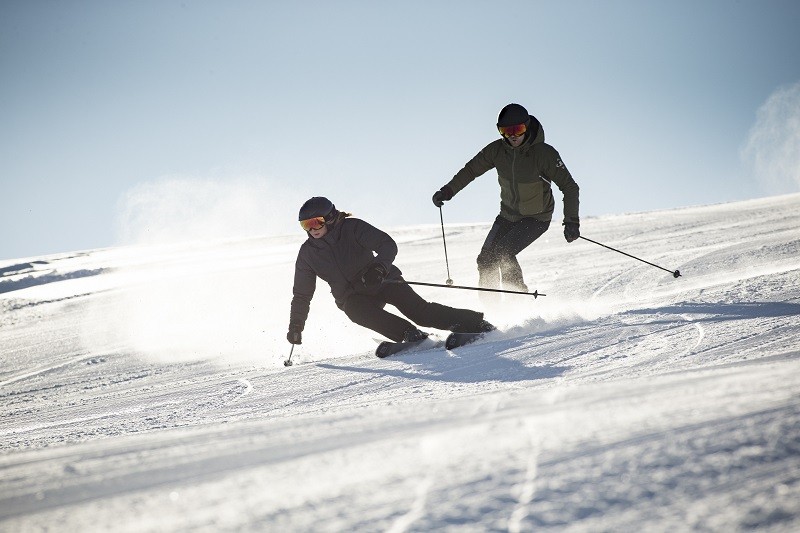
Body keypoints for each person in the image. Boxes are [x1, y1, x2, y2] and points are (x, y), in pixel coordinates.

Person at [286, 197, 495, 346]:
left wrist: (379, 268)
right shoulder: (308, 254)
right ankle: (409, 334)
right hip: (354, 296)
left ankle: (475, 324)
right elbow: (302, 294)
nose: (312, 229)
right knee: (355, 311)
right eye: (306, 225)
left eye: (316, 222)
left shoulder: (352, 228)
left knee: (420, 312)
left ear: (330, 218)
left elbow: (387, 244)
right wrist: (296, 324)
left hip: (381, 280)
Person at [431, 103, 580, 296]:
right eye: (506, 131)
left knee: (504, 254)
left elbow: (569, 187)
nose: (513, 136)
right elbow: (471, 170)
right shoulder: (497, 151)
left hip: (536, 218)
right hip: (507, 215)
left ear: (526, 127)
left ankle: (518, 300)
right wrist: (448, 190)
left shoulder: (544, 154)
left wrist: (572, 221)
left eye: (517, 129)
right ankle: (490, 309)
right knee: (485, 260)